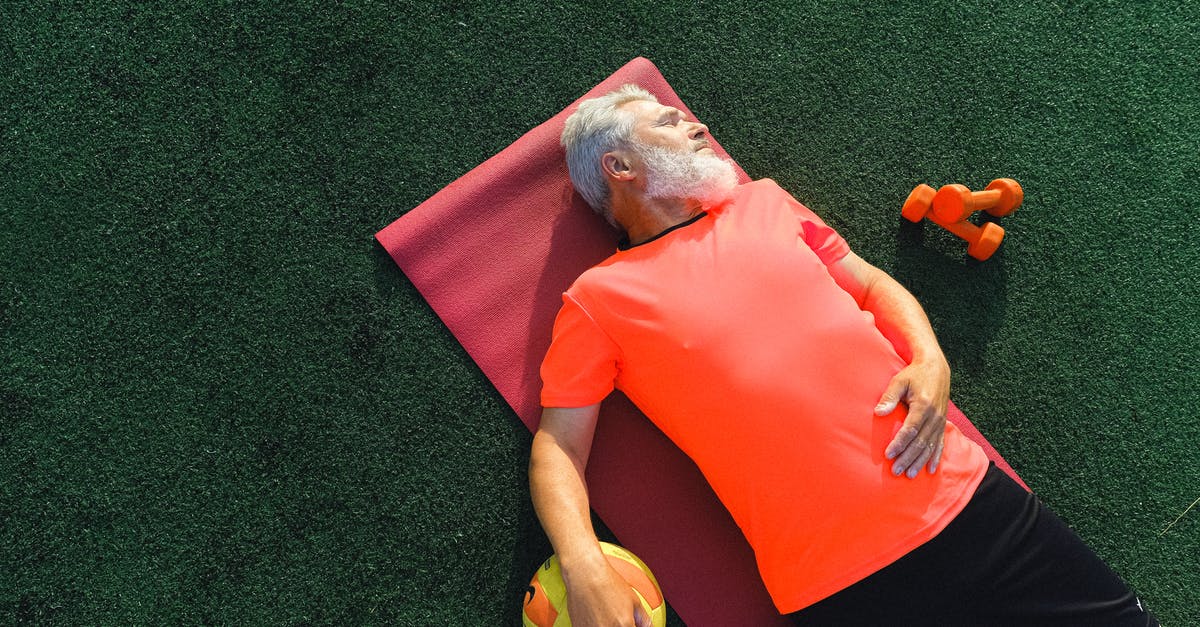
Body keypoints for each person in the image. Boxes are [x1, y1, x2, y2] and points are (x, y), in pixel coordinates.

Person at [528, 84, 1156, 626]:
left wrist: (930, 358)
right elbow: (559, 445)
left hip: (967, 503)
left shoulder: (763, 202)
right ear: (620, 166)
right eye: (667, 121)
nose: (697, 125)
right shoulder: (598, 298)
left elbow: (872, 284)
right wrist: (583, 566)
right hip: (840, 583)